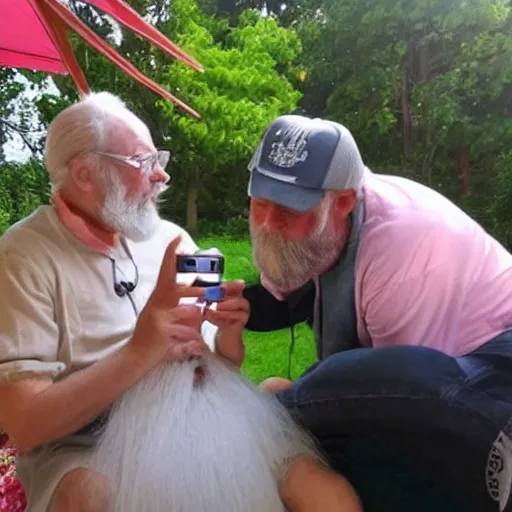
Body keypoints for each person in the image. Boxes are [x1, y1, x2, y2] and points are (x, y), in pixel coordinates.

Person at [0, 93, 361, 512]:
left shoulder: (169, 239)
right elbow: (24, 426)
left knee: (329, 497)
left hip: (201, 413)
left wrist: (227, 338)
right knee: (89, 499)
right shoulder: (23, 257)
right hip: (87, 440)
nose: (161, 177)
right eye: (142, 162)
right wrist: (140, 351)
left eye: (159, 159)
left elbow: (217, 362)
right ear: (84, 173)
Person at [242, 113, 512, 512]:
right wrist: (226, 309)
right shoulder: (306, 226)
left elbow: (402, 400)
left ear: (344, 201)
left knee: (384, 458)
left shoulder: (407, 255)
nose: (268, 223)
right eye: (260, 203)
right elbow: (281, 297)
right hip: (422, 364)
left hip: (491, 362)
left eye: (287, 210)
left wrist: (287, 416)